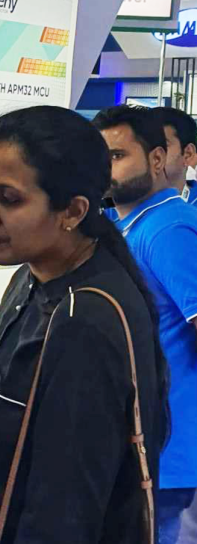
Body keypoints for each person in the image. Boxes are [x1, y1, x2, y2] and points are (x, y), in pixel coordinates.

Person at [0, 106, 168, 544]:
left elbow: (64, 514)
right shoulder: (31, 278)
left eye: (9, 198)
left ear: (73, 211)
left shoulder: (85, 320)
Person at [94, 105, 197, 544]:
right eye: (100, 158)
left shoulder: (167, 229)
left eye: (118, 156)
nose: (106, 169)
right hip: (143, 443)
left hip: (167, 448)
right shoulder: (130, 225)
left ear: (157, 159)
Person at [154, 106, 197, 205]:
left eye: (161, 145)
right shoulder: (122, 206)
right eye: (143, 145)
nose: (149, 154)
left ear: (188, 154)